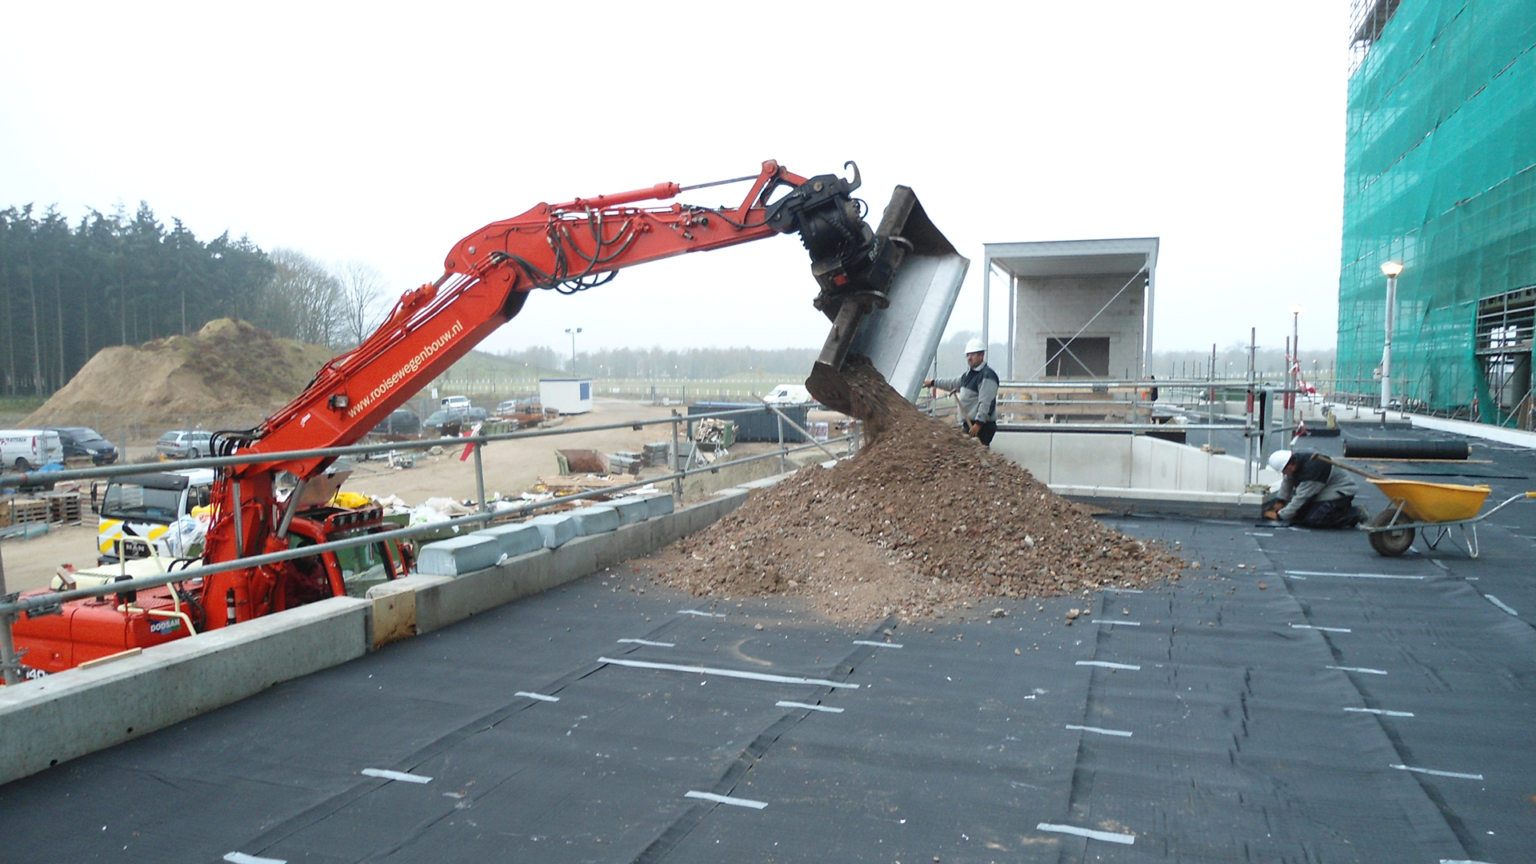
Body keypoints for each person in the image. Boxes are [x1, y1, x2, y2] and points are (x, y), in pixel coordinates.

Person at [924, 337, 999, 446]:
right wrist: (933, 382)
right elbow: (951, 384)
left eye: (973, 355)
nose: (969, 358)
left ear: (981, 355)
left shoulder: (987, 376)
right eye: (968, 355)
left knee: (978, 452)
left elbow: (986, 403)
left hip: (982, 426)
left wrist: (978, 424)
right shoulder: (968, 376)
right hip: (969, 423)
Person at [1264, 449, 1364, 528]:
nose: (1284, 474)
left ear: (1290, 466)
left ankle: (1355, 513)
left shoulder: (1313, 470)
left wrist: (1280, 516)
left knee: (1315, 519)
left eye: (1284, 471)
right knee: (1298, 514)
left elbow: (1302, 498)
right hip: (1322, 490)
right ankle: (1340, 511)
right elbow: (1287, 481)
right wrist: (1281, 501)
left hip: (1341, 492)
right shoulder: (1295, 462)